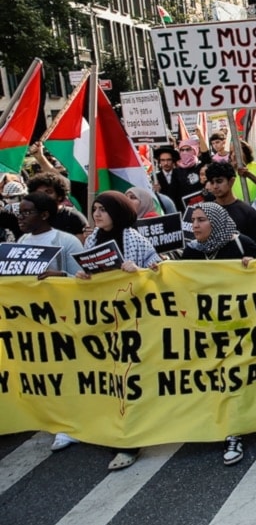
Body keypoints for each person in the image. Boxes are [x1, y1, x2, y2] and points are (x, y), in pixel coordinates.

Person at [76, 191, 160, 470]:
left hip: (133, 320)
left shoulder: (134, 239)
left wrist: (139, 269)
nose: (97, 214)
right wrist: (84, 277)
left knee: (130, 377)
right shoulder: (92, 239)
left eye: (104, 210)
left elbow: (158, 268)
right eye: (95, 209)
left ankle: (130, 441)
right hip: (106, 320)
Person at [181, 202, 256, 465]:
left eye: (201, 220)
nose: (195, 225)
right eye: (193, 220)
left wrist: (255, 265)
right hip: (206, 329)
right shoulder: (191, 253)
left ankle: (233, 432)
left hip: (240, 327)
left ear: (216, 222)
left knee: (233, 377)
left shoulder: (241, 245)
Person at [15, 192, 83, 279]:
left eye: (27, 212)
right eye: (19, 212)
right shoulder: (22, 240)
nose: (20, 217)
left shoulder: (68, 241)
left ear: (44, 215)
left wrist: (62, 275)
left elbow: (81, 279)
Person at [204, 161, 256, 249]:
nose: (215, 186)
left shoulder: (248, 212)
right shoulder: (206, 212)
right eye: (212, 182)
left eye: (219, 181)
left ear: (231, 181)